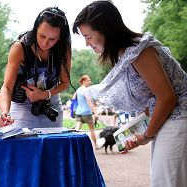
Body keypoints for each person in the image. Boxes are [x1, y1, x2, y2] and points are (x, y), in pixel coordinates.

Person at [73, 1, 187, 186]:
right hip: (173, 119)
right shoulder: (129, 54)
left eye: (88, 36)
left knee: (168, 181)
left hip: (179, 118)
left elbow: (168, 98)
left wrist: (147, 135)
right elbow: (156, 98)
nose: (87, 43)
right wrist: (136, 132)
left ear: (106, 30)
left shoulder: (139, 52)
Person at [0, 7, 71, 128]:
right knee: (24, 145)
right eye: (42, 36)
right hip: (23, 105)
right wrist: (5, 112)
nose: (45, 43)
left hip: (51, 103)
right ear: (36, 28)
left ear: (60, 37)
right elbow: (6, 87)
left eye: (52, 39)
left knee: (53, 145)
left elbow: (65, 83)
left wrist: (45, 94)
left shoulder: (64, 48)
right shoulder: (20, 47)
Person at [72, 75, 98, 148]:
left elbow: (73, 98)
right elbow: (89, 102)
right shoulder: (86, 90)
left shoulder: (78, 89)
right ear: (84, 81)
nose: (90, 82)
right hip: (86, 112)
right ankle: (96, 145)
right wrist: (95, 113)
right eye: (89, 80)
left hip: (78, 112)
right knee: (92, 129)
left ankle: (73, 145)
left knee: (77, 128)